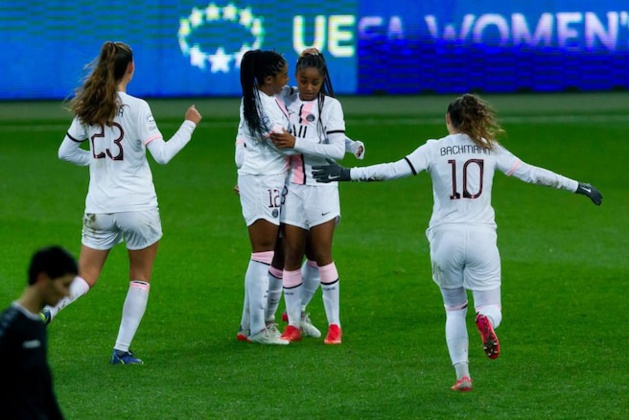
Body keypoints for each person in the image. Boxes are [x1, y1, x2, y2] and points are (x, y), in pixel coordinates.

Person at [312, 93, 602, 388]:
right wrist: (577, 186)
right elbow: (532, 174)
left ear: (449, 120)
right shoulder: (490, 149)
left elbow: (392, 170)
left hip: (444, 239)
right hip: (481, 238)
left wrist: (346, 173)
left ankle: (463, 375)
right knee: (491, 307)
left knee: (454, 309)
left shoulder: (434, 148)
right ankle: (486, 320)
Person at [41, 41, 203, 365]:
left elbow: (65, 152)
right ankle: (121, 350)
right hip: (138, 206)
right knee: (140, 278)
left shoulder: (88, 107)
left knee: (85, 276)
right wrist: (189, 124)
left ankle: (47, 310)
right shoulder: (138, 107)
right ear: (130, 68)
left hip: (99, 207)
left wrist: (98, 161)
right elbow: (163, 155)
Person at [268, 49, 351, 344]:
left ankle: (335, 325)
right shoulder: (286, 99)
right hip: (293, 189)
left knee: (321, 255)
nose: (309, 87)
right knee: (291, 255)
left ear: (322, 80)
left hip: (322, 189)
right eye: (303, 81)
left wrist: (296, 143)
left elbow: (337, 150)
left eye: (315, 82)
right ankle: (293, 324)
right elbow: (267, 86)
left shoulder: (331, 106)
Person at [235, 49, 293, 345]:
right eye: (284, 75)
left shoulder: (260, 99)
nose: (288, 80)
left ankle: (248, 325)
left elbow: (241, 146)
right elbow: (285, 145)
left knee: (265, 252)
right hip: (263, 182)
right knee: (262, 254)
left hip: (261, 180)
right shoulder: (263, 107)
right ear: (269, 79)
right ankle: (258, 329)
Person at [0, 246, 78, 419]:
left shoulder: (37, 325)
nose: (67, 294)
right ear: (43, 279)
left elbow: (44, 386)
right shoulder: (9, 325)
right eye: (64, 285)